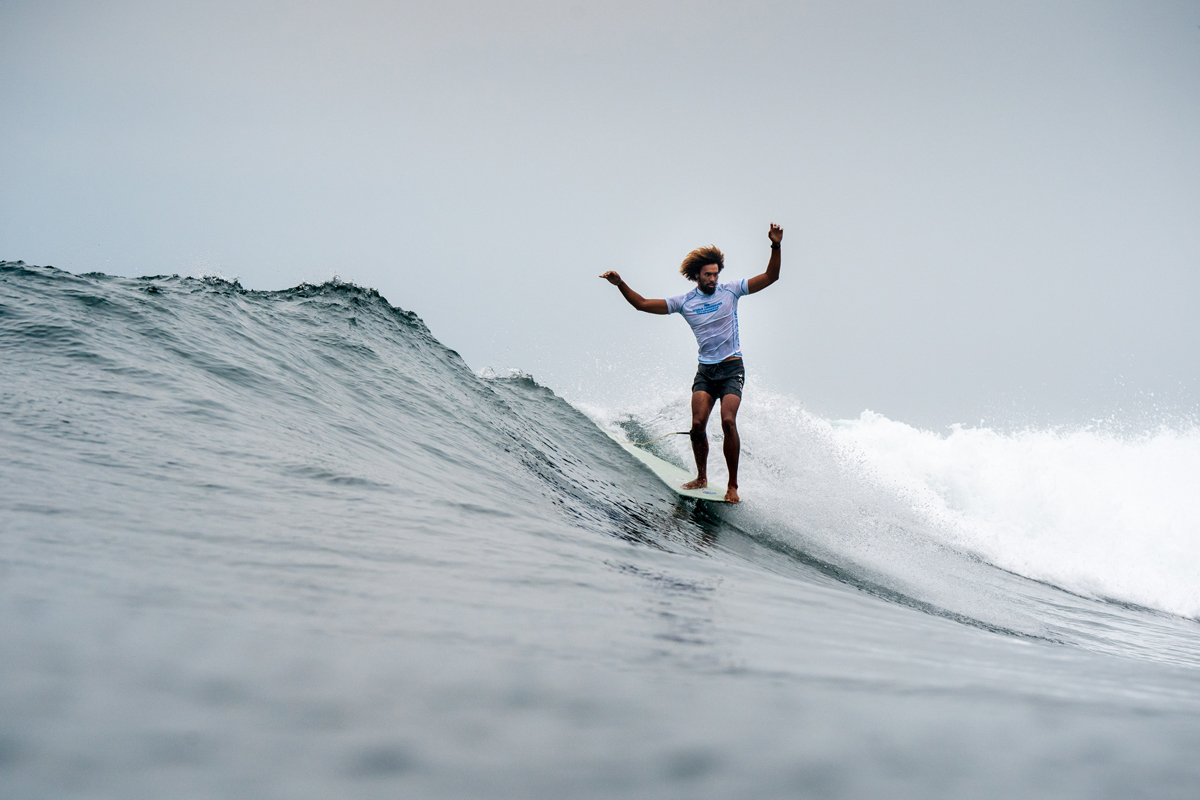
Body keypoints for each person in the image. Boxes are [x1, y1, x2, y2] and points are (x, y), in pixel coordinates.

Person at [600, 223, 783, 503]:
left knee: (728, 421)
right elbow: (642, 304)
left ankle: (733, 485)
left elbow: (771, 276)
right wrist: (620, 284)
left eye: (716, 274)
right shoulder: (684, 302)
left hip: (732, 369)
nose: (713, 279)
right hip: (706, 371)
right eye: (708, 275)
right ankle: (701, 476)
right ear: (697, 275)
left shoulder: (732, 291)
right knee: (698, 424)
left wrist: (775, 245)